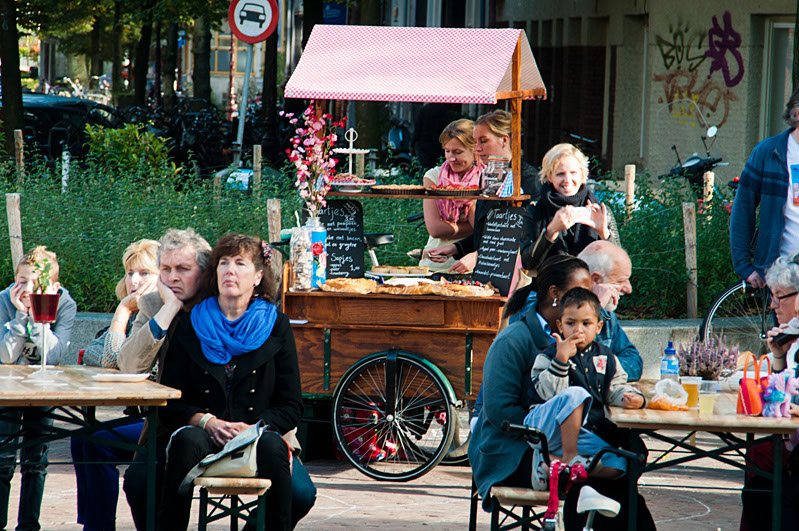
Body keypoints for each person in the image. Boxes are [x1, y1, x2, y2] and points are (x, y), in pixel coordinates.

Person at [118, 229, 315, 530]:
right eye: (224, 263)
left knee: (299, 494)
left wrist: (254, 428)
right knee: (141, 479)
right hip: (189, 428)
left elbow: (290, 403)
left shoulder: (273, 323)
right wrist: (206, 420)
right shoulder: (178, 314)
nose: (172, 278)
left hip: (259, 432)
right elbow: (144, 375)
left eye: (182, 269)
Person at [468, 255, 593, 510]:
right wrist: (549, 436)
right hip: (509, 452)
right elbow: (500, 411)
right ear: (555, 294)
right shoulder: (513, 340)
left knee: (622, 464)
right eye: (580, 292)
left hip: (559, 443)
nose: (589, 300)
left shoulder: (582, 337)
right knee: (583, 478)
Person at [71, 239, 159, 531]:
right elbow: (93, 352)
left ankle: (98, 527)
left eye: (144, 273)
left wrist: (121, 312)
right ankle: (95, 525)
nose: (134, 280)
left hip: (167, 421)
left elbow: (110, 359)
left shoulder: (159, 316)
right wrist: (117, 330)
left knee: (95, 443)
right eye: (129, 273)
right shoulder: (138, 312)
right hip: (145, 417)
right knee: (82, 438)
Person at [523, 287, 644, 491]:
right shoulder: (548, 356)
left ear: (598, 327)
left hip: (581, 433)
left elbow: (615, 388)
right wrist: (561, 360)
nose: (578, 330)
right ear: (560, 325)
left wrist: (632, 398)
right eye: (571, 323)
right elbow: (551, 394)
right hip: (545, 428)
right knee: (576, 394)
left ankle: (551, 463)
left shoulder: (607, 358)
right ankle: (569, 459)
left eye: (586, 324)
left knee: (619, 464)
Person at [0, 246, 76, 531]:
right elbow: (5, 356)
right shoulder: (4, 301)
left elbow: (52, 356)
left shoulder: (65, 304)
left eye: (36, 283)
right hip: (7, 389)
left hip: (43, 387)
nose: (27, 288)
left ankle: (29, 525)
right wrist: (20, 317)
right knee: (3, 457)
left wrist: (39, 317)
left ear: (53, 287)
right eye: (21, 280)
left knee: (36, 457)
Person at [507, 240, 642, 381]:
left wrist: (602, 366)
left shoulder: (606, 313)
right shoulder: (534, 315)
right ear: (595, 279)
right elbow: (558, 373)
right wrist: (595, 313)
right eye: (620, 281)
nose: (629, 289)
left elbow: (634, 363)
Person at [427, 109, 541, 273]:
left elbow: (526, 236)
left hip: (516, 277)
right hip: (489, 272)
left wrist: (480, 255)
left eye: (483, 141)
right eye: (475, 142)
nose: (477, 149)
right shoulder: (488, 177)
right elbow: (487, 231)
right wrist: (456, 247)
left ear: (504, 140)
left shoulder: (530, 180)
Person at [741, 252, 799, 530]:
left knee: (760, 461)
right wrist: (778, 356)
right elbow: (782, 389)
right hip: (791, 440)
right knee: (757, 456)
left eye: (780, 296)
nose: (773, 305)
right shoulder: (791, 338)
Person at [730, 87, 799, 288]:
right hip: (781, 272)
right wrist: (744, 265)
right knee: (784, 320)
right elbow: (743, 208)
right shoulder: (768, 153)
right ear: (797, 114)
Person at [520, 143, 611, 274]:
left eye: (573, 173)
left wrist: (603, 233)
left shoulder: (599, 211)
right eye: (560, 174)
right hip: (550, 289)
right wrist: (551, 232)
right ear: (550, 177)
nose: (567, 180)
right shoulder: (534, 210)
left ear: (582, 174)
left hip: (590, 288)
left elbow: (616, 264)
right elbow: (528, 263)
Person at [419, 119, 483, 272]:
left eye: (458, 152)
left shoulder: (487, 177)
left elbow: (486, 231)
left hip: (475, 264)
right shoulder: (433, 176)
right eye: (447, 151)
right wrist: (474, 228)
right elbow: (435, 229)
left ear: (475, 150)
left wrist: (478, 229)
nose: (451, 158)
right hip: (436, 263)